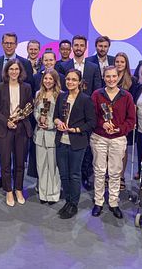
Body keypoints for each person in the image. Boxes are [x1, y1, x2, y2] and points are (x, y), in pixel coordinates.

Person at [90, 66, 136, 219]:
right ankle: (98, 201)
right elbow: (91, 116)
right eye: (108, 76)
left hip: (118, 138)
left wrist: (119, 129)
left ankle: (114, 202)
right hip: (99, 137)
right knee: (99, 171)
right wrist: (101, 124)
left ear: (118, 77)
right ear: (104, 77)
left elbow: (131, 120)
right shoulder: (97, 95)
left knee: (115, 172)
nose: (111, 79)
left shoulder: (126, 96)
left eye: (114, 76)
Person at [53, 69, 96, 219]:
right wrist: (58, 122)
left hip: (77, 142)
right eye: (68, 79)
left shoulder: (85, 99)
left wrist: (76, 129)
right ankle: (68, 201)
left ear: (79, 82)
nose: (70, 82)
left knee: (75, 174)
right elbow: (55, 117)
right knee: (64, 174)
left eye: (73, 80)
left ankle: (74, 204)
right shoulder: (61, 96)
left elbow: (91, 122)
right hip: (61, 141)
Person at [0, 60, 34, 206]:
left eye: (16, 69)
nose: (14, 72)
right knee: (5, 163)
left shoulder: (27, 87)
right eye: (11, 69)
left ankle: (18, 189)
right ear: (7, 71)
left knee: (20, 162)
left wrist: (21, 117)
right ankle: (8, 191)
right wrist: (6, 121)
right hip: (4, 129)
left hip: (21, 129)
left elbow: (30, 107)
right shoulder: (0, 87)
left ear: (20, 71)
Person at [32, 69, 62, 204]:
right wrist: (39, 119)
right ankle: (43, 193)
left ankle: (53, 194)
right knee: (41, 165)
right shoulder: (38, 94)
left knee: (53, 166)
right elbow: (35, 111)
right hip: (39, 135)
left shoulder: (60, 95)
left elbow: (61, 116)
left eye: (50, 79)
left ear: (55, 81)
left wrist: (50, 124)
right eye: (45, 78)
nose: (48, 81)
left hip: (53, 135)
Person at [115, 52, 139, 189]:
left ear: (126, 64)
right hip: (110, 119)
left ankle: (121, 176)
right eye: (117, 61)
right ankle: (110, 175)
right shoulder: (109, 77)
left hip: (124, 120)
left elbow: (134, 102)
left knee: (122, 148)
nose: (119, 64)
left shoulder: (132, 80)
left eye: (122, 62)